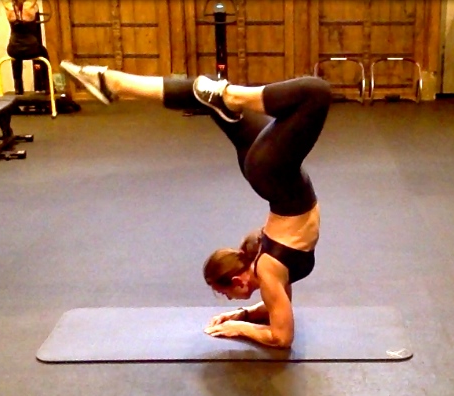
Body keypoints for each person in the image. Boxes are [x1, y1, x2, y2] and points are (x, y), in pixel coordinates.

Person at [60, 61, 331, 349]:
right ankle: (116, 83)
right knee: (209, 91)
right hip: (272, 174)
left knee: (315, 92)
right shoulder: (266, 272)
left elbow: (281, 336)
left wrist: (239, 327)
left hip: (273, 173)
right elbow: (278, 317)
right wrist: (242, 314)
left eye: (225, 294)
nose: (227, 299)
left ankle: (119, 83)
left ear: (239, 281)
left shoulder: (267, 270)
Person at [3, 0, 49, 95]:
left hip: (14, 48)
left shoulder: (9, 8)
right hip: (31, 49)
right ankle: (47, 84)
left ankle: (18, 87)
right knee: (44, 52)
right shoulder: (30, 7)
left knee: (15, 56)